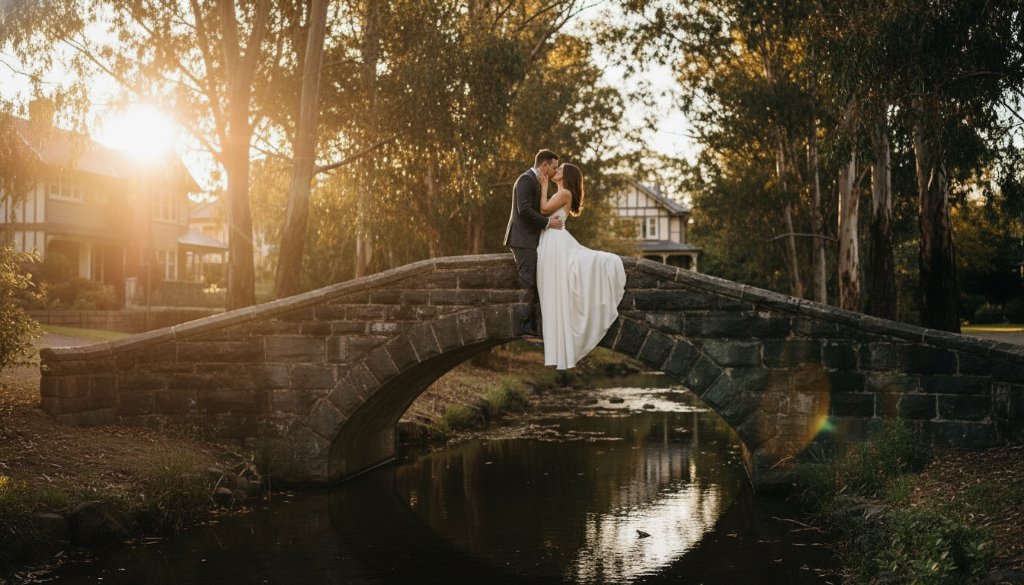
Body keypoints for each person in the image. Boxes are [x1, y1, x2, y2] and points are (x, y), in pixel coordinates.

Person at [536, 163, 626, 369]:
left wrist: (542, 186)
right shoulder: (561, 192)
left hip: (556, 240)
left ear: (566, 176)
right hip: (552, 239)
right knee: (554, 287)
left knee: (568, 276)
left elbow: (543, 210)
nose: (555, 172)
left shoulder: (565, 192)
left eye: (559, 170)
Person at [503, 149, 564, 337]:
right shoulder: (526, 180)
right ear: (544, 165)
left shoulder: (538, 181)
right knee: (527, 281)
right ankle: (524, 328)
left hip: (530, 239)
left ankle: (533, 324)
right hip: (522, 239)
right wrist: (547, 223)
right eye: (553, 167)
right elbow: (524, 210)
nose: (555, 171)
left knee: (534, 281)